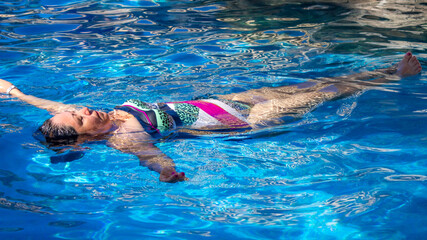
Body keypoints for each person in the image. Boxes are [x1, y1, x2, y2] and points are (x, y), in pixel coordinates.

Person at [0, 52, 422, 182]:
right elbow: (149, 156)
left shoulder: (83, 116)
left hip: (223, 99)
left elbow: (44, 105)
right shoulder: (123, 136)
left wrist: (14, 91)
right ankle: (390, 76)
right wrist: (168, 171)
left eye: (75, 109)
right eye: (79, 118)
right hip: (241, 121)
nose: (79, 110)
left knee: (308, 84)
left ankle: (380, 73)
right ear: (83, 140)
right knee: (324, 95)